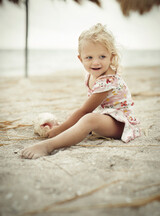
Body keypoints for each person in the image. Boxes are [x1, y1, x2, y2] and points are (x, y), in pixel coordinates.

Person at [21, 23, 140, 159]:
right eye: (89, 57)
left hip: (120, 124)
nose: (95, 63)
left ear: (111, 57)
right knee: (76, 116)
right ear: (80, 58)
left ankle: (48, 146)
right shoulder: (91, 74)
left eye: (102, 57)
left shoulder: (108, 80)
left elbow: (85, 110)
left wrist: (59, 130)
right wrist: (64, 125)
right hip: (105, 117)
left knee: (87, 118)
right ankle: (65, 131)